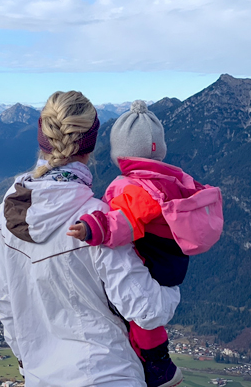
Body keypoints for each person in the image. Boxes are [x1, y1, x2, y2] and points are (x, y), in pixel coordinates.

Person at [0, 91, 181, 387]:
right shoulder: (97, 221)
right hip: (108, 374)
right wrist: (173, 278)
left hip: (42, 377)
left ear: (42, 137)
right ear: (91, 145)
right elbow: (146, 309)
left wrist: (27, 362)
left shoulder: (8, 212)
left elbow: (4, 301)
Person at [67, 100, 223, 387]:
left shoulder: (138, 189)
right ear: (158, 149)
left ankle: (160, 365)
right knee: (139, 310)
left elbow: (123, 223)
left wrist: (94, 227)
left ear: (120, 153)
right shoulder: (167, 178)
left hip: (155, 259)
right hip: (172, 258)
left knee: (141, 314)